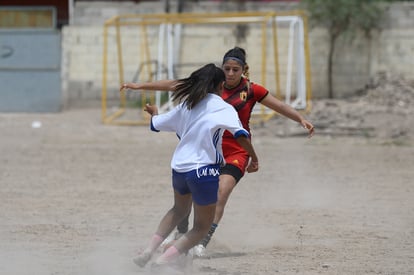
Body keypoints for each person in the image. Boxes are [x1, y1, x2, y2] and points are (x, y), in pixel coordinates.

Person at [121, 46, 314, 257]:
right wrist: (140, 85)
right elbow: (174, 84)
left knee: (221, 193)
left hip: (237, 150)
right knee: (195, 192)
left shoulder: (251, 90)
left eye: (235, 69)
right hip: (209, 149)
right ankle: (181, 235)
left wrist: (300, 118)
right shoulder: (210, 85)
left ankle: (201, 242)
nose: (230, 74)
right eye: (227, 69)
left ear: (244, 70)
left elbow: (279, 105)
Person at [125, 63, 259, 269]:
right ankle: (163, 260)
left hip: (179, 168)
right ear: (221, 85)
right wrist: (254, 156)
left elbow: (156, 124)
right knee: (201, 227)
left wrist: (154, 112)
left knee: (178, 210)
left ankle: (148, 250)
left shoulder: (187, 104)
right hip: (204, 170)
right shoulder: (224, 107)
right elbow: (240, 135)